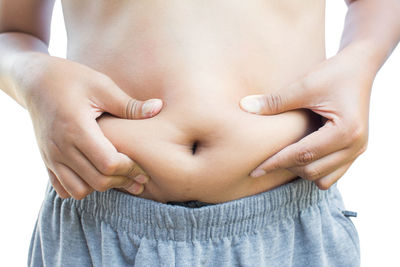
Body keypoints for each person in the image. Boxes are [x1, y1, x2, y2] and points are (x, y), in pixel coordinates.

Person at [0, 0, 398, 266]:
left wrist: (360, 62)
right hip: (98, 228)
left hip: (290, 225)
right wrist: (32, 77)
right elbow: (9, 29)